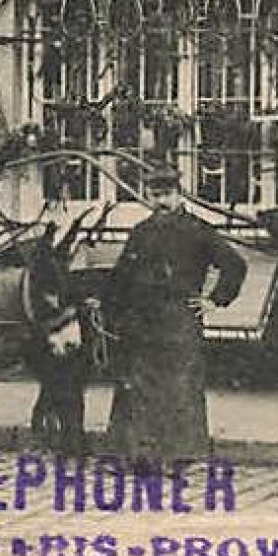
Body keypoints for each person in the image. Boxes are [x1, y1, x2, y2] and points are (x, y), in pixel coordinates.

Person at [104, 164, 246, 465]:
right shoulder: (141, 233)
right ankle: (135, 455)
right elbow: (122, 276)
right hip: (142, 321)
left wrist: (215, 300)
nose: (161, 202)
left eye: (166, 195)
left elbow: (234, 265)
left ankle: (179, 457)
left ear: (179, 195)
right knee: (136, 388)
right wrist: (108, 307)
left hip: (179, 320)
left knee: (179, 388)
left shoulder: (198, 230)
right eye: (155, 195)